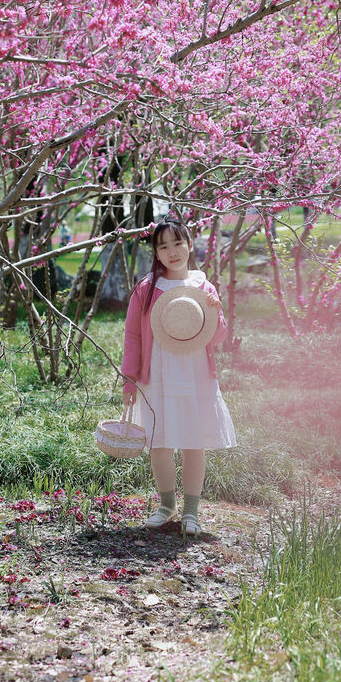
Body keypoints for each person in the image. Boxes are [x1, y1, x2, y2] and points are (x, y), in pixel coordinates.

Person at [121, 217, 236, 538]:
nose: (172, 251)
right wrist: (129, 379)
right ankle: (166, 505)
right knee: (159, 441)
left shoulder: (203, 287)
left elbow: (218, 338)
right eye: (163, 246)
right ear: (156, 253)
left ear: (189, 245)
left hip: (195, 372)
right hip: (157, 373)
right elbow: (133, 336)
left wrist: (215, 310)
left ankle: (191, 511)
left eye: (177, 243)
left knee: (193, 442)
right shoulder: (145, 290)